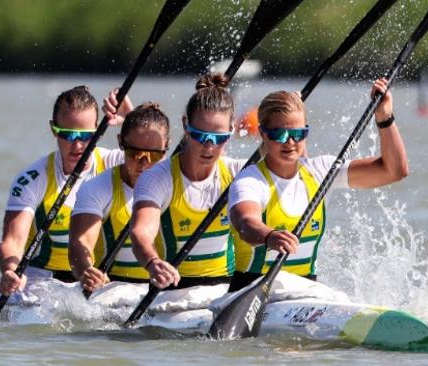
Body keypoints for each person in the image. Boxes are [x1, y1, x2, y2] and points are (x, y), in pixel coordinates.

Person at [227, 78, 409, 292]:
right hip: (252, 290)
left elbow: (394, 171)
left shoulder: (321, 170)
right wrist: (269, 236)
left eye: (298, 134)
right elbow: (246, 225)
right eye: (280, 134)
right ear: (263, 133)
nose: (290, 142)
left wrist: (384, 116)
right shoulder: (250, 180)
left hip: (305, 293)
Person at [0, 85, 132, 299]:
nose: (77, 145)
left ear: (98, 129)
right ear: (53, 129)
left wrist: (131, 122)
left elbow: (160, 170)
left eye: (86, 136)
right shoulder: (34, 178)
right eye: (67, 135)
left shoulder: (115, 163)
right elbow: (13, 241)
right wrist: (10, 271)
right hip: (42, 284)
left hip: (97, 282)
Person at [130, 73, 245, 290]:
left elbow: (291, 167)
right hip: (174, 293)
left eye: (219, 138)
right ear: (185, 125)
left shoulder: (239, 173)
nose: (209, 146)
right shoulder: (157, 178)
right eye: (201, 135)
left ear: (232, 131)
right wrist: (153, 263)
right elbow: (141, 232)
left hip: (225, 293)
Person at [68, 102, 170, 293]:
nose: (144, 163)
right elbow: (78, 246)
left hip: (164, 290)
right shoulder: (97, 188)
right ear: (120, 143)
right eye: (135, 153)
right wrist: (85, 271)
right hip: (112, 291)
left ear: (166, 148)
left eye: (154, 156)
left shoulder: (181, 181)